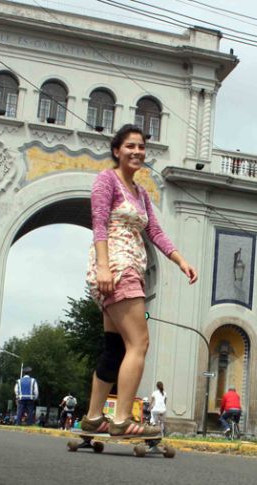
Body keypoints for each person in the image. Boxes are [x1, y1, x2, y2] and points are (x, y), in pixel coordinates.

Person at [81, 124, 198, 438]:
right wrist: (104, 267)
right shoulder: (107, 180)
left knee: (115, 347)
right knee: (139, 343)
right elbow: (99, 223)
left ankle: (93, 417)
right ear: (117, 150)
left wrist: (180, 260)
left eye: (141, 147)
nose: (137, 152)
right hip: (118, 268)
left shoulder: (141, 192)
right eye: (130, 146)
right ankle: (121, 419)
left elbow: (155, 233)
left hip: (130, 266)